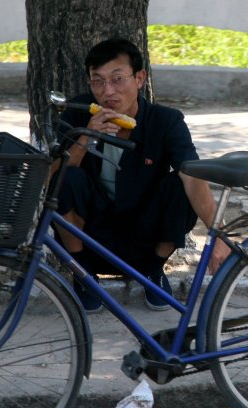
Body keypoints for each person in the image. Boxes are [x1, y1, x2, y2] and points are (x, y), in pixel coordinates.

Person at [56, 38, 229, 313]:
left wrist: (218, 234)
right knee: (66, 178)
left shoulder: (165, 121)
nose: (108, 91)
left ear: (139, 78)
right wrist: (85, 139)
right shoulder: (78, 112)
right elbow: (50, 178)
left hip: (143, 232)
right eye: (98, 81)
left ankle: (152, 271)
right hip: (91, 233)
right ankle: (83, 275)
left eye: (117, 79)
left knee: (178, 184)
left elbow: (193, 176)